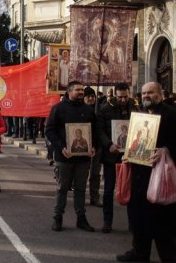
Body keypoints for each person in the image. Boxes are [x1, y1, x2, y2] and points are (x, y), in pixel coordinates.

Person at [116, 81, 176, 263]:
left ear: (160, 94)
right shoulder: (138, 116)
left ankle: (170, 260)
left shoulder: (173, 115)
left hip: (162, 173)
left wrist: (166, 150)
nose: (147, 96)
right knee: (139, 214)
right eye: (144, 93)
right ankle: (140, 251)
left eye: (151, 92)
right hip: (140, 173)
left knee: (164, 217)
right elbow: (135, 141)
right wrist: (128, 154)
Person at [45, 81, 97, 232]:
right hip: (64, 157)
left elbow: (94, 131)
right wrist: (61, 147)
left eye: (82, 90)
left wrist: (93, 146)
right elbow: (49, 130)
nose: (81, 92)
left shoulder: (88, 110)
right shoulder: (58, 109)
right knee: (62, 188)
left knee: (80, 189)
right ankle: (57, 218)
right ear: (69, 92)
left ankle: (81, 219)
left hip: (83, 158)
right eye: (78, 90)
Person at [96, 82, 136, 233]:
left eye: (125, 96)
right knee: (108, 190)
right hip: (111, 157)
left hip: (129, 156)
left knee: (131, 191)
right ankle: (107, 221)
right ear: (115, 95)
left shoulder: (135, 108)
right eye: (120, 97)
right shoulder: (105, 109)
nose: (123, 100)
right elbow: (99, 131)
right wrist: (109, 145)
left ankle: (133, 223)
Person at [84, 86, 101, 207]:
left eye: (92, 96)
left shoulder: (100, 110)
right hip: (83, 146)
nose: (91, 98)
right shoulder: (80, 110)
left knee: (95, 173)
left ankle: (94, 197)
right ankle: (79, 196)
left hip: (97, 147)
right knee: (82, 173)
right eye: (88, 96)